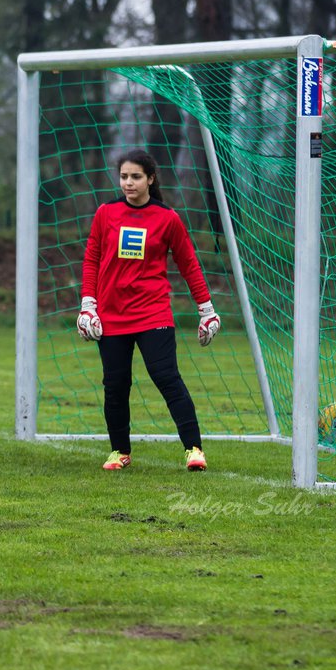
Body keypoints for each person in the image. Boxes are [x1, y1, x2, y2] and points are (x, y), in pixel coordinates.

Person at [77, 149, 221, 472]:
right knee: (115, 385)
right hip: (111, 317)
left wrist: (207, 310)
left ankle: (194, 449)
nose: (128, 183)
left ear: (150, 179)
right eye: (124, 176)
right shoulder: (106, 213)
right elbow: (91, 259)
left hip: (152, 314)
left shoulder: (167, 218)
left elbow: (189, 265)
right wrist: (88, 305)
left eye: (136, 177)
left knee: (167, 378)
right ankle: (119, 452)